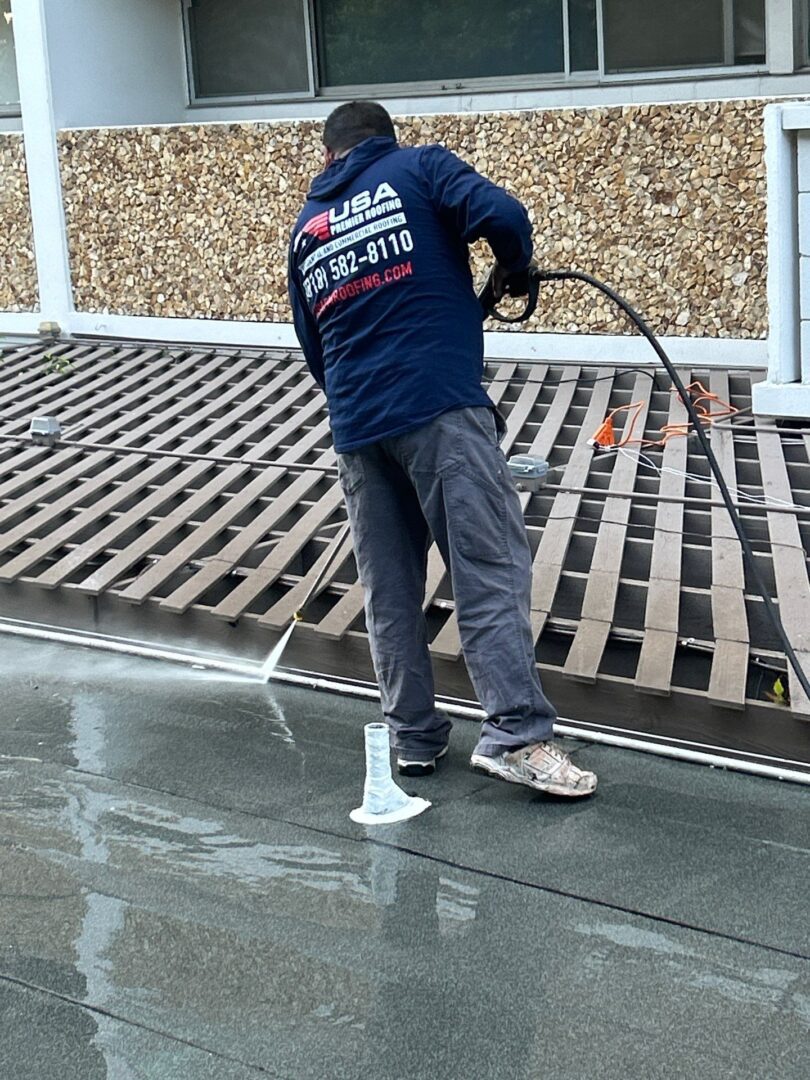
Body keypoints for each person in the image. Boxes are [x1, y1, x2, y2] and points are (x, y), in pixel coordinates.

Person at [288, 101, 596, 798]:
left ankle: (414, 739)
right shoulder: (421, 167)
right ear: (383, 142)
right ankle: (517, 735)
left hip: (359, 429)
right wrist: (513, 269)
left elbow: (315, 348)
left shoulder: (306, 232)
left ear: (329, 155)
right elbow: (506, 218)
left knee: (391, 590)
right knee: (487, 566)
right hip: (438, 408)